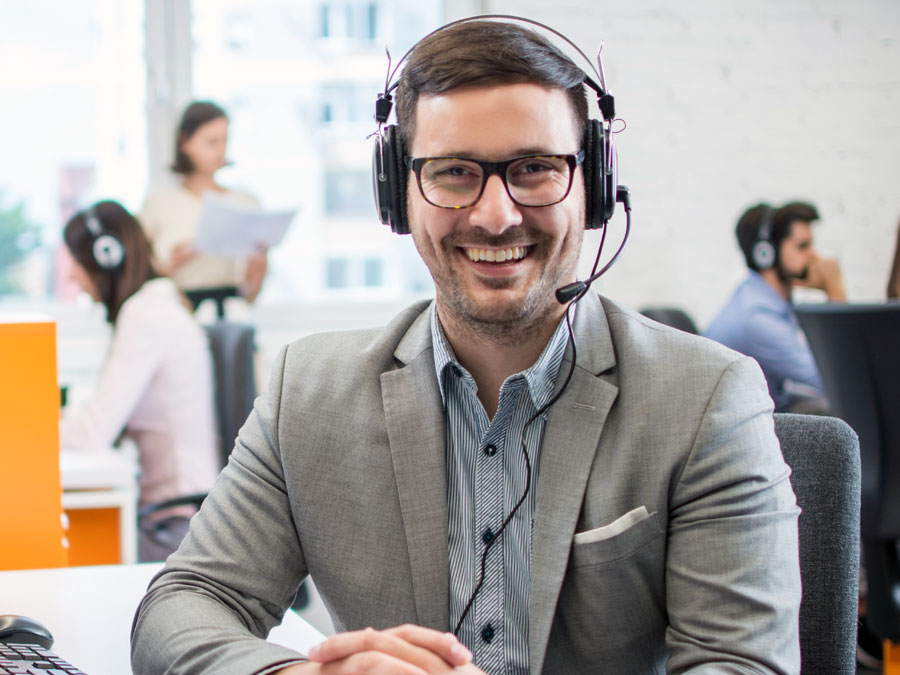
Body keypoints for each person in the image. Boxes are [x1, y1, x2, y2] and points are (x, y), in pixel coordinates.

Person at [132, 18, 801, 674]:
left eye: (534, 167)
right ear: (399, 194)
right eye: (454, 172)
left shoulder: (708, 400)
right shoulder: (306, 394)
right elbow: (183, 605)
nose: (495, 213)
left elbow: (742, 663)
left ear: (593, 184)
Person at [60, 200, 219, 562]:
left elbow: (91, 434)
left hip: (175, 528)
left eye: (76, 262)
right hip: (177, 517)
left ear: (106, 257)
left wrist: (32, 433)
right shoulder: (152, 306)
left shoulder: (146, 314)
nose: (71, 276)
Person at [705, 201, 845, 413]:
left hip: (763, 409)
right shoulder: (758, 318)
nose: (814, 256)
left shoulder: (759, 298)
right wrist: (835, 288)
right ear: (766, 254)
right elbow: (836, 382)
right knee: (845, 407)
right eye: (802, 246)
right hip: (743, 427)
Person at [139, 100, 268, 310]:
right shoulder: (159, 203)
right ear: (185, 142)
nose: (221, 150)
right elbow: (140, 275)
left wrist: (259, 270)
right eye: (212, 142)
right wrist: (170, 265)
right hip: (177, 314)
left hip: (233, 318)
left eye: (225, 140)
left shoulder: (246, 202)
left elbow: (251, 295)